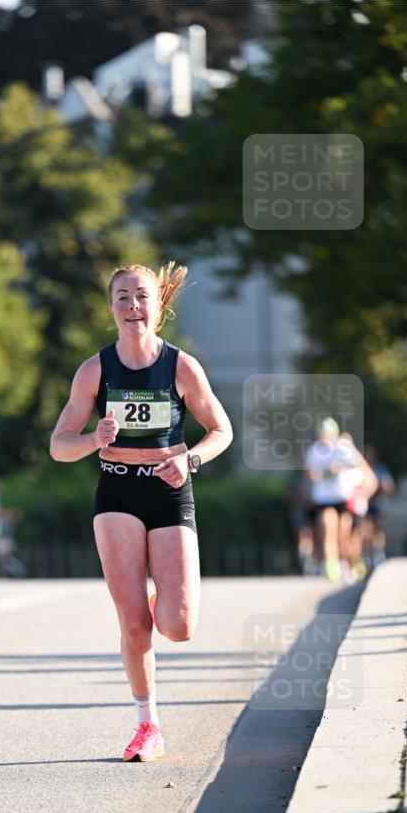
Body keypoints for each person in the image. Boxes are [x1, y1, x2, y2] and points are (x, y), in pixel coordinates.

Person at [50, 262, 233, 762]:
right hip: (117, 496)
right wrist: (93, 439)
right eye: (123, 298)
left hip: (169, 494)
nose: (133, 306)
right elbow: (58, 446)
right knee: (133, 625)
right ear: (112, 308)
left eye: (142, 297)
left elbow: (222, 430)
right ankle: (147, 724)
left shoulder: (181, 367)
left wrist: (188, 458)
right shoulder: (95, 370)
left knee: (178, 626)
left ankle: (158, 604)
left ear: (159, 306)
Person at [303, 420, 377, 582]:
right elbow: (308, 476)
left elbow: (365, 471)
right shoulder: (313, 451)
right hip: (323, 499)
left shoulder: (343, 449)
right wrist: (314, 477)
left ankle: (351, 562)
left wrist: (363, 494)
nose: (324, 438)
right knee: (327, 528)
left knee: (344, 537)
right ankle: (331, 565)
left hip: (343, 498)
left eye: (328, 435)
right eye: (322, 434)